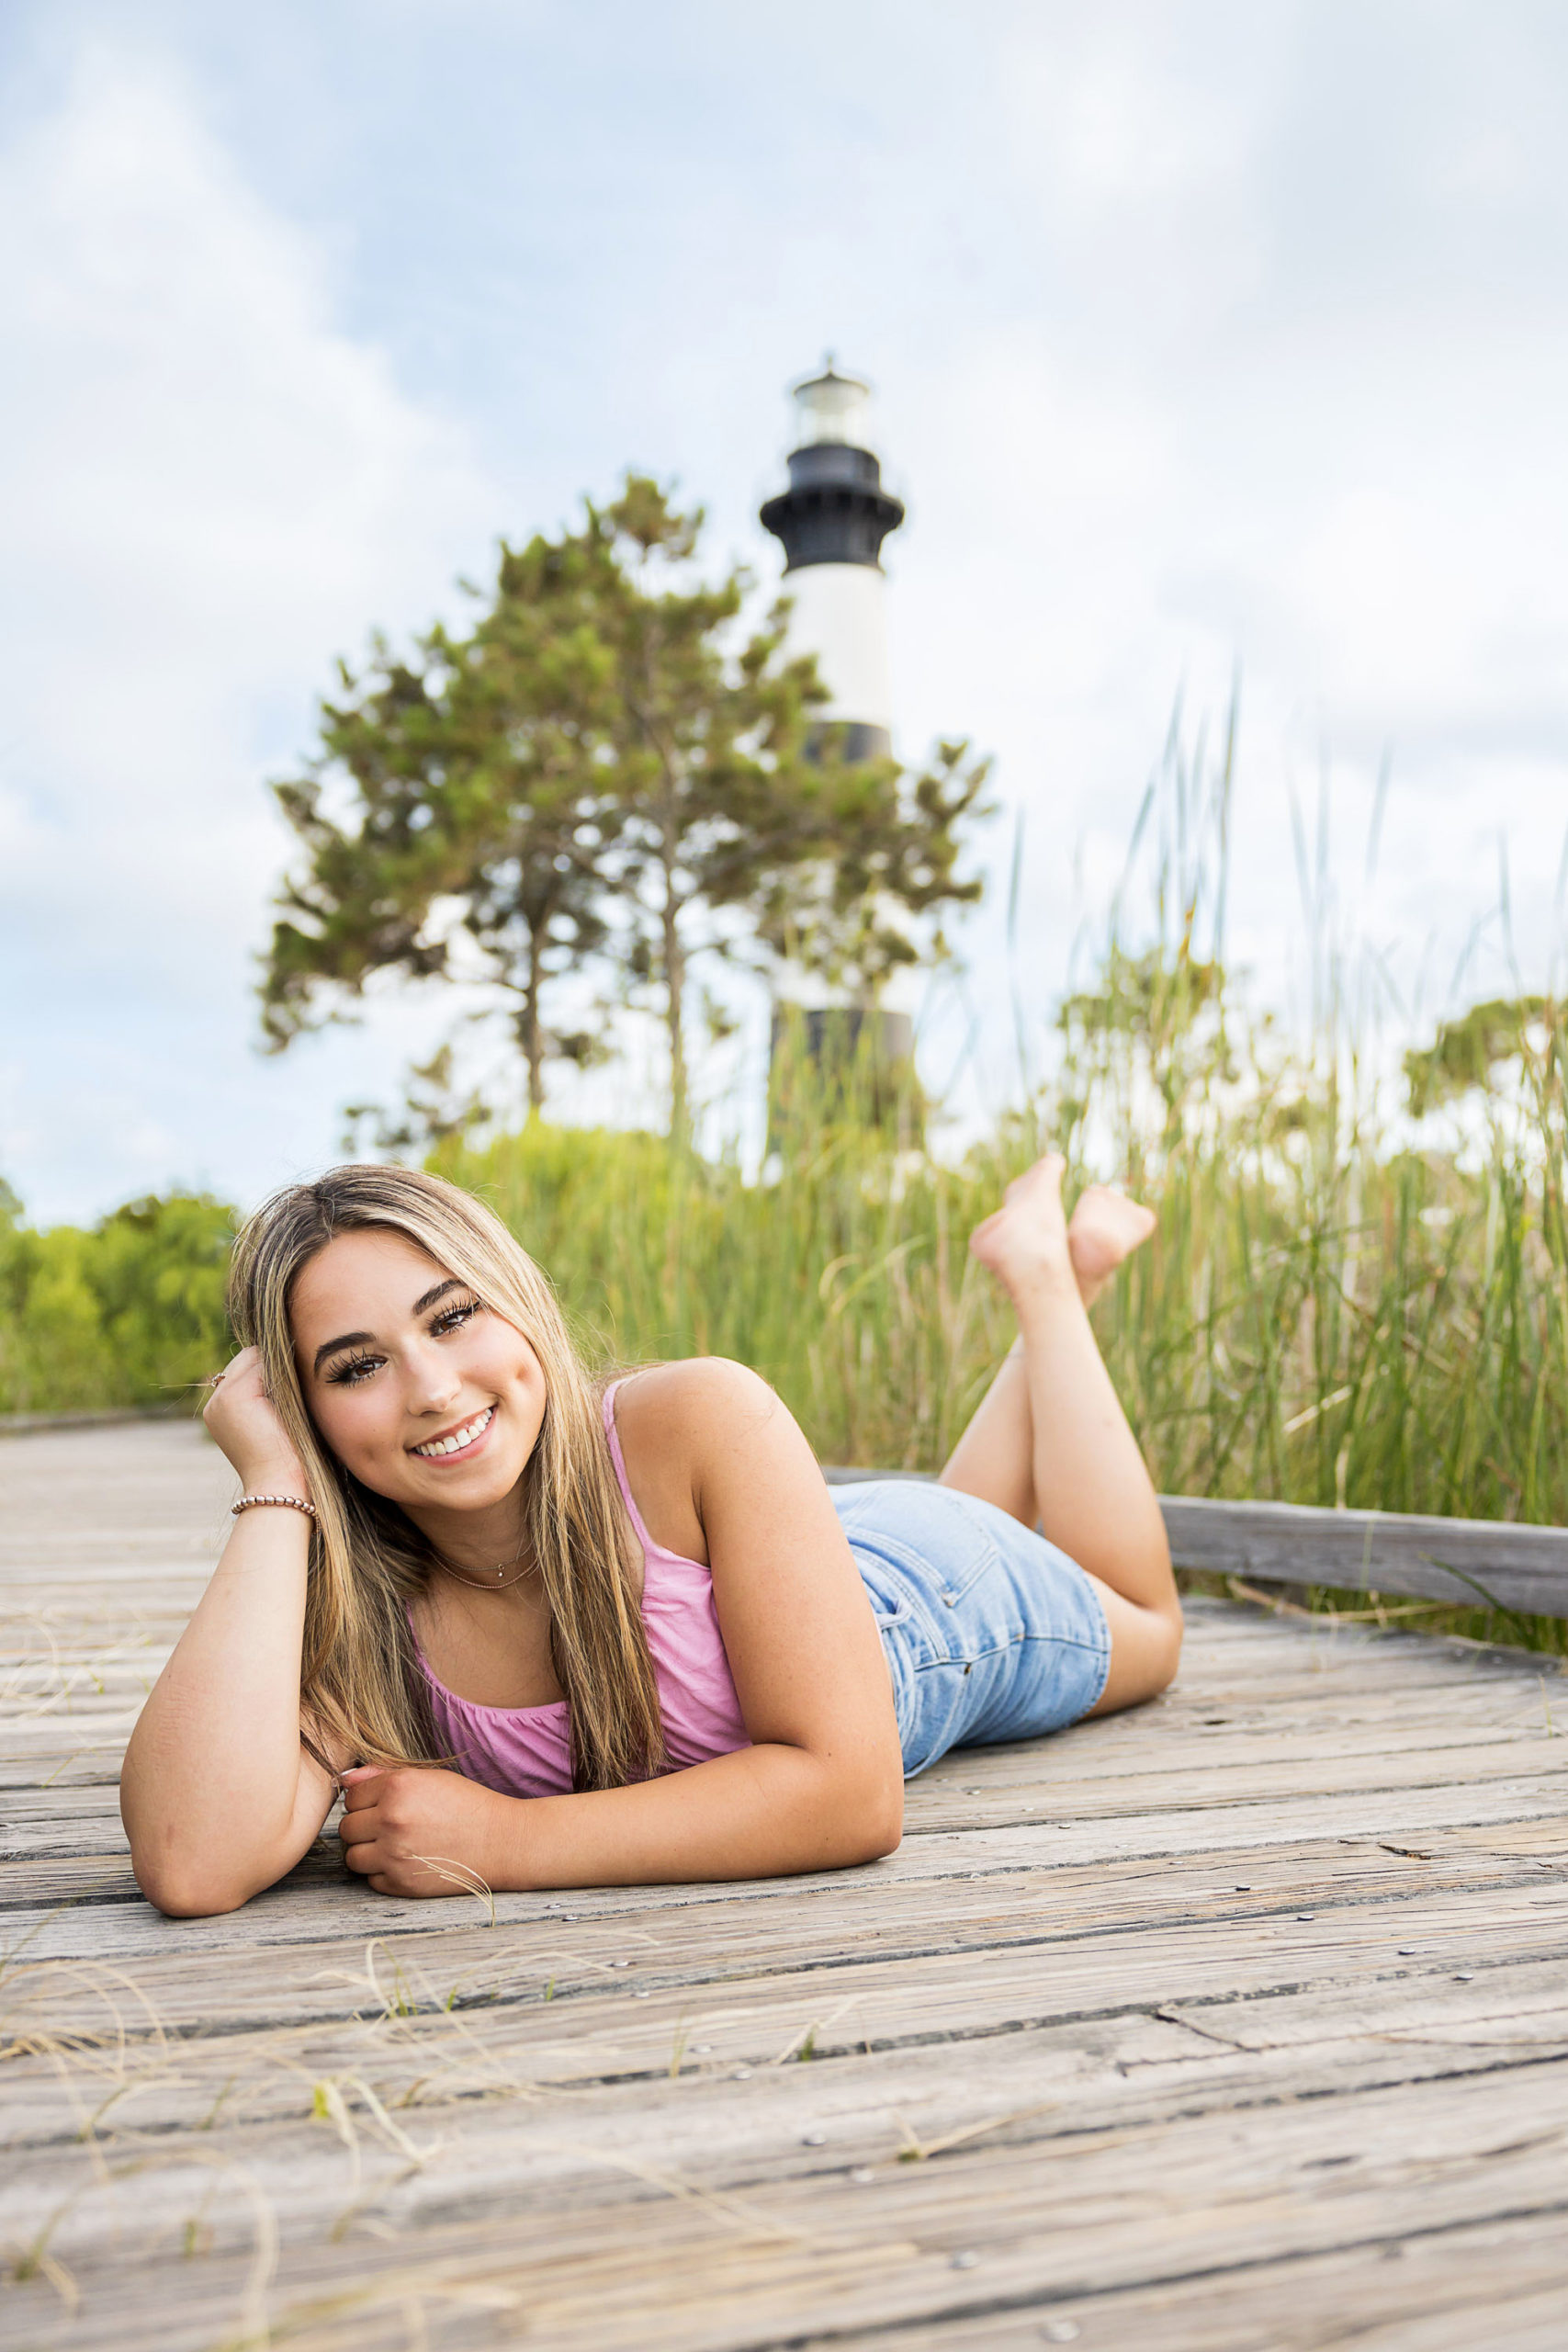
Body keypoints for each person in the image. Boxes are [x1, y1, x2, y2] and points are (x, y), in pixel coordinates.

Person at [120, 1156, 1180, 1917]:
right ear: (305, 1410)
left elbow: (851, 1792)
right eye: (356, 1367)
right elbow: (190, 1859)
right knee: (968, 1506)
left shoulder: (700, 1416)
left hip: (924, 1603)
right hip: (770, 1569)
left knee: (1146, 1620)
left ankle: (1050, 1284)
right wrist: (271, 1484)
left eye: (452, 1317)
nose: (434, 1390)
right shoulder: (352, 1610)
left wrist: (502, 1841)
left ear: (520, 1305)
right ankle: (1061, 1271)